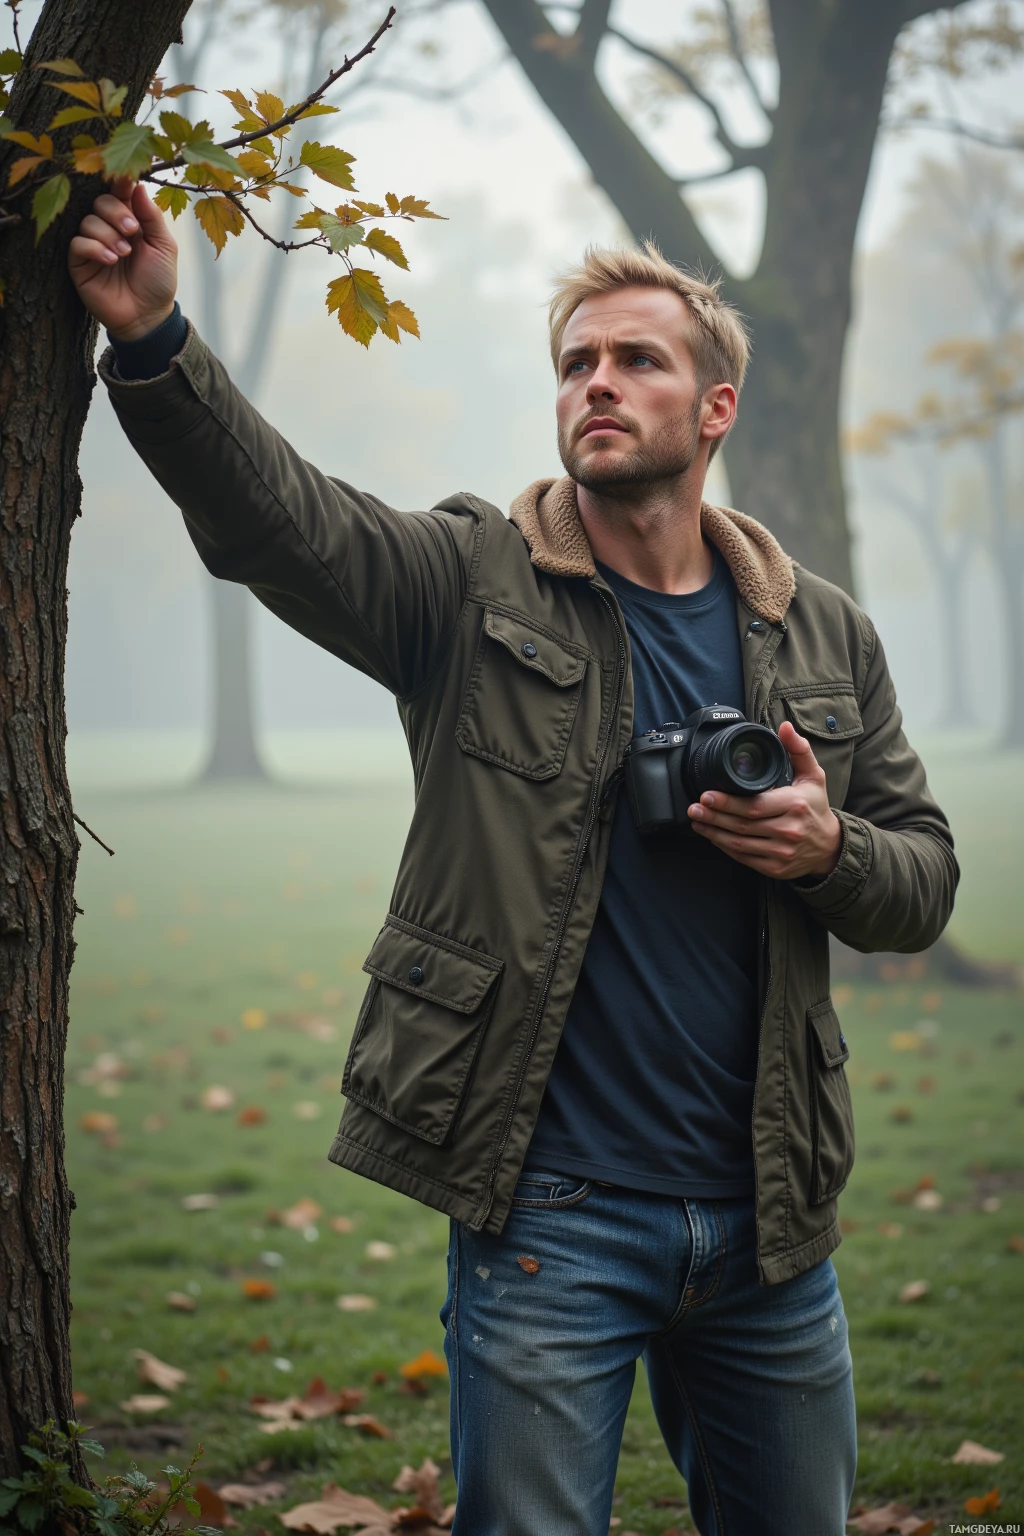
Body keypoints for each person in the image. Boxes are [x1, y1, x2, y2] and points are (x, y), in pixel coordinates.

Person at [70, 180, 958, 1536]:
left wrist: (828, 846)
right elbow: (279, 521)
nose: (596, 385)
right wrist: (153, 343)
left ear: (714, 408)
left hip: (773, 1217)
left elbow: (926, 876)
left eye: (636, 360)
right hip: (553, 1209)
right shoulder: (471, 582)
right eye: (576, 365)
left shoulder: (821, 631)